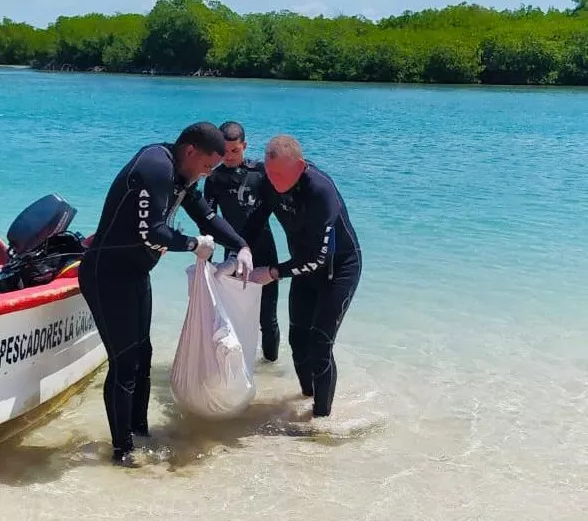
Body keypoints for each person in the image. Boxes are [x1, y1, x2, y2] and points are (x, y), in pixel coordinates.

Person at [78, 122, 253, 466]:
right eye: (206, 166)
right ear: (190, 151)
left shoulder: (183, 175)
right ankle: (122, 453)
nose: (206, 174)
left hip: (134, 274)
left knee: (143, 355)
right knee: (125, 363)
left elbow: (206, 215)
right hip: (106, 276)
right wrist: (193, 244)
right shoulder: (154, 167)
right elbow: (152, 232)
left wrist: (242, 245)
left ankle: (140, 433)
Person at [243, 135, 362, 417]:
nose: (273, 180)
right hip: (303, 270)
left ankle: (321, 420)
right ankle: (307, 398)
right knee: (298, 341)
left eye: (280, 174)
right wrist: (241, 249)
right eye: (269, 173)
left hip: (338, 270)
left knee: (320, 345)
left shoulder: (321, 191)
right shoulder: (269, 183)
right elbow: (253, 223)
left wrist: (273, 272)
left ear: (299, 166)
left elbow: (318, 258)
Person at [203, 121, 281, 362]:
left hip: (264, 251)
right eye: (224, 151)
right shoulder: (214, 178)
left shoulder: (260, 172)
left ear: (245, 145)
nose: (229, 156)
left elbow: (279, 210)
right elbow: (208, 221)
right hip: (232, 255)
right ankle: (236, 368)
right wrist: (208, 260)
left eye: (235, 150)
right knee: (232, 317)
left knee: (268, 319)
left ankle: (269, 367)